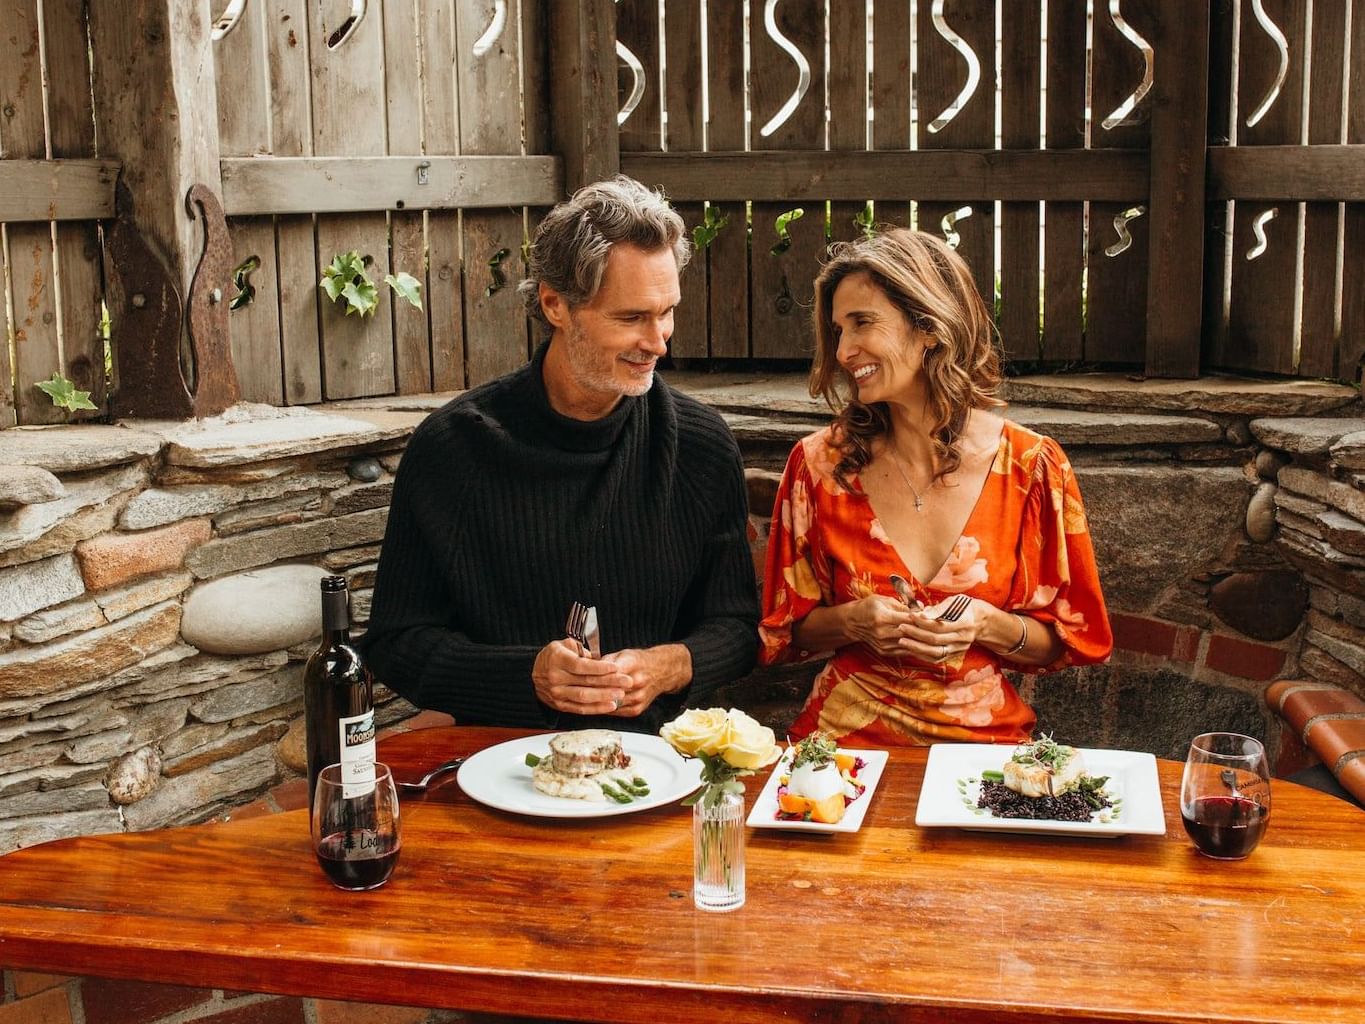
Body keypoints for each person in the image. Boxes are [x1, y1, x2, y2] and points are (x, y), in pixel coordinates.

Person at [362, 175, 758, 733]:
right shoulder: (453, 448)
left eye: (666, 311)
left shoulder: (700, 445)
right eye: (631, 317)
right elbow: (396, 642)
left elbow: (737, 627)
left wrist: (670, 666)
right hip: (497, 761)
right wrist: (527, 675)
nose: (660, 341)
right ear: (555, 304)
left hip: (659, 766)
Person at [758, 228, 1111, 746]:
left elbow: (1065, 643)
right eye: (837, 330)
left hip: (981, 751)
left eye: (862, 324)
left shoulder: (1032, 467)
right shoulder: (818, 466)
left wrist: (988, 624)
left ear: (928, 327)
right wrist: (856, 621)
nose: (844, 350)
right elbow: (786, 632)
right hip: (841, 747)